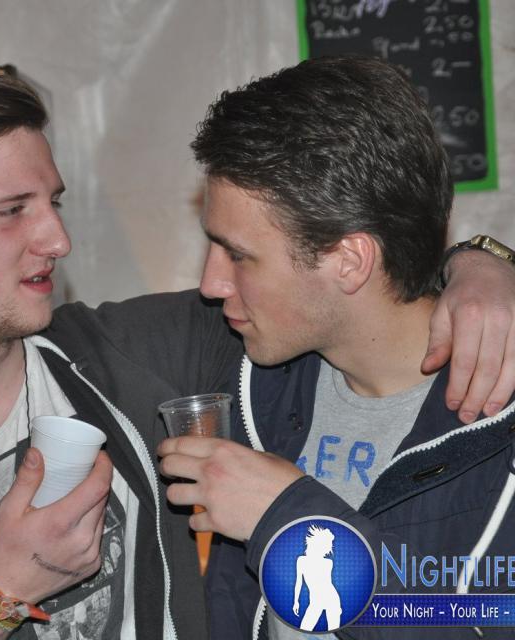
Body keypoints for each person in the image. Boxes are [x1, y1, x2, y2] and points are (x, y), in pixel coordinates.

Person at [0, 60, 512, 640]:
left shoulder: (191, 353)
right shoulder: (224, 355)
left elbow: (486, 613)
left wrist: (484, 262)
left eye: (237, 253)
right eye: (12, 209)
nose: (59, 239)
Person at [158, 55, 515, 640]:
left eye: (239, 255)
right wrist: (486, 257)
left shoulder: (498, 430)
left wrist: (287, 521)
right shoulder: (238, 360)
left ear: (349, 261)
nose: (211, 284)